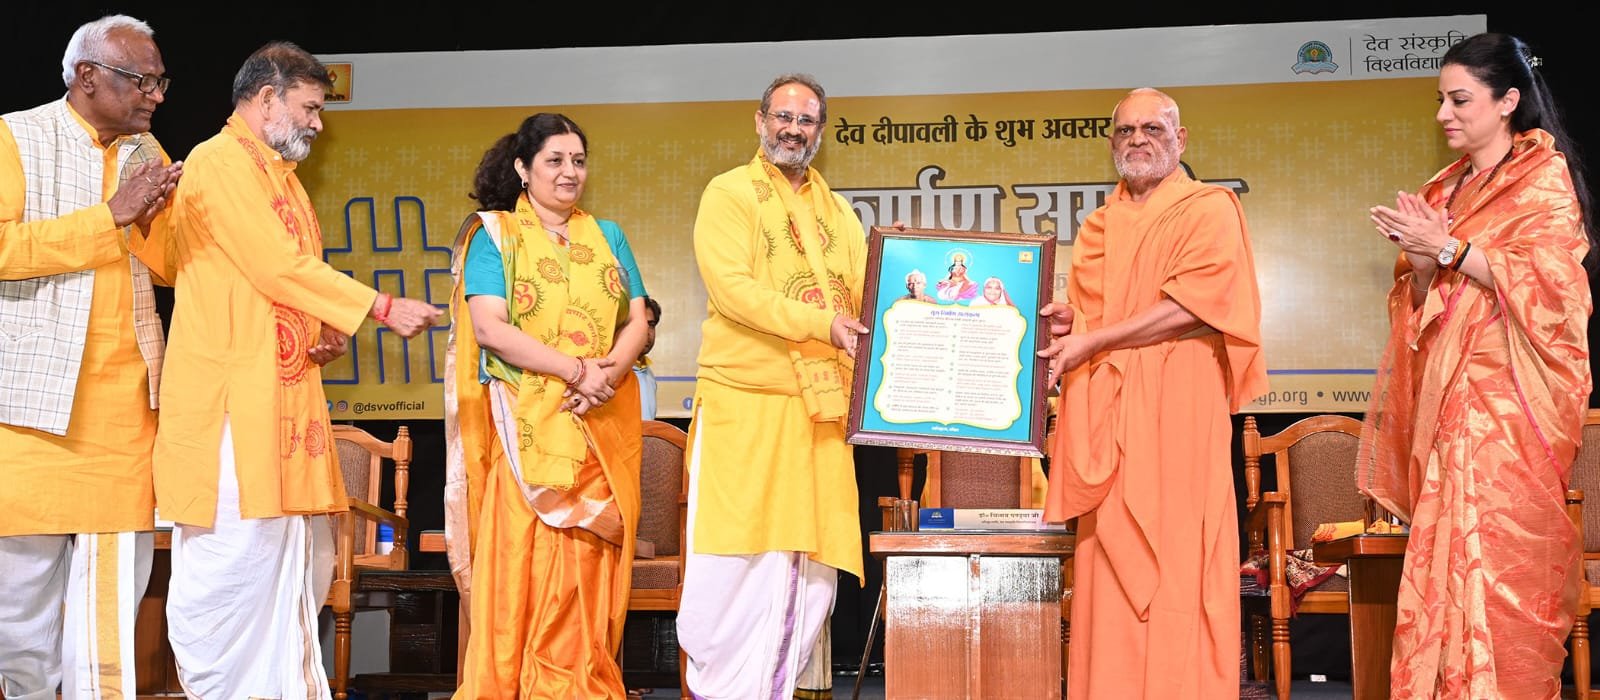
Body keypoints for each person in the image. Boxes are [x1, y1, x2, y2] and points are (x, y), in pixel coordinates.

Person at [153, 42, 439, 700]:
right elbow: (274, 267)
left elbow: (281, 284)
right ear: (267, 98)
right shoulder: (219, 162)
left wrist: (320, 329)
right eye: (309, 107)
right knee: (232, 563)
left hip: (277, 394)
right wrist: (379, 306)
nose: (317, 121)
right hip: (231, 403)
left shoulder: (281, 178)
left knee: (288, 562)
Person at [1362, 33, 1593, 697]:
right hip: (1447, 409)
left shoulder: (1540, 178)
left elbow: (1555, 293)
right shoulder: (1445, 189)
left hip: (1509, 416)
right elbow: (1425, 306)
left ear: (1508, 100)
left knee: (1503, 574)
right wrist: (1423, 264)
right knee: (1440, 577)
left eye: (1460, 100)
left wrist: (1451, 250)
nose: (1444, 114)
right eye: (1440, 99)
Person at [1038, 87, 1267, 698]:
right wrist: (1074, 326)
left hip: (1182, 403)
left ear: (1180, 140)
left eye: (1153, 129)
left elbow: (1194, 308)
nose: (1138, 139)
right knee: (1108, 570)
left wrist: (1095, 338)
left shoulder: (1209, 208)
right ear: (1112, 143)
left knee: (1178, 560)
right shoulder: (1099, 226)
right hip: (1110, 413)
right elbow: (1101, 316)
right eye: (1126, 130)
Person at [0, 14, 181, 698]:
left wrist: (162, 223)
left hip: (125, 417)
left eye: (160, 82)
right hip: (29, 412)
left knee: (109, 621)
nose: (155, 96)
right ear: (87, 76)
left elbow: (169, 268)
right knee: (18, 618)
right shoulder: (15, 136)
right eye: (141, 81)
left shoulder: (148, 152)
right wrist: (110, 216)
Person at [443, 112, 650, 698]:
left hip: (599, 417)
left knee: (587, 559)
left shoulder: (607, 235)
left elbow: (638, 320)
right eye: (554, 160)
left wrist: (604, 374)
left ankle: (576, 681)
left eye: (578, 161)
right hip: (525, 420)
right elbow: (491, 328)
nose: (569, 172)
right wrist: (575, 371)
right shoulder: (495, 235)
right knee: (523, 557)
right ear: (522, 168)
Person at [677, 73, 869, 699]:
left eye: (806, 120)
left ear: (820, 131)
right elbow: (733, 290)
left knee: (811, 577)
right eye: (782, 116)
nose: (793, 129)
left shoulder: (839, 213)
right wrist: (822, 324)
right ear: (760, 122)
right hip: (747, 405)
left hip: (821, 414)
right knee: (731, 567)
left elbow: (869, 296)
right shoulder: (729, 193)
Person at [636, 296, 661, 420]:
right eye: (639, 324)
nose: (647, 332)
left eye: (651, 325)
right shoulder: (612, 375)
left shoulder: (649, 375)